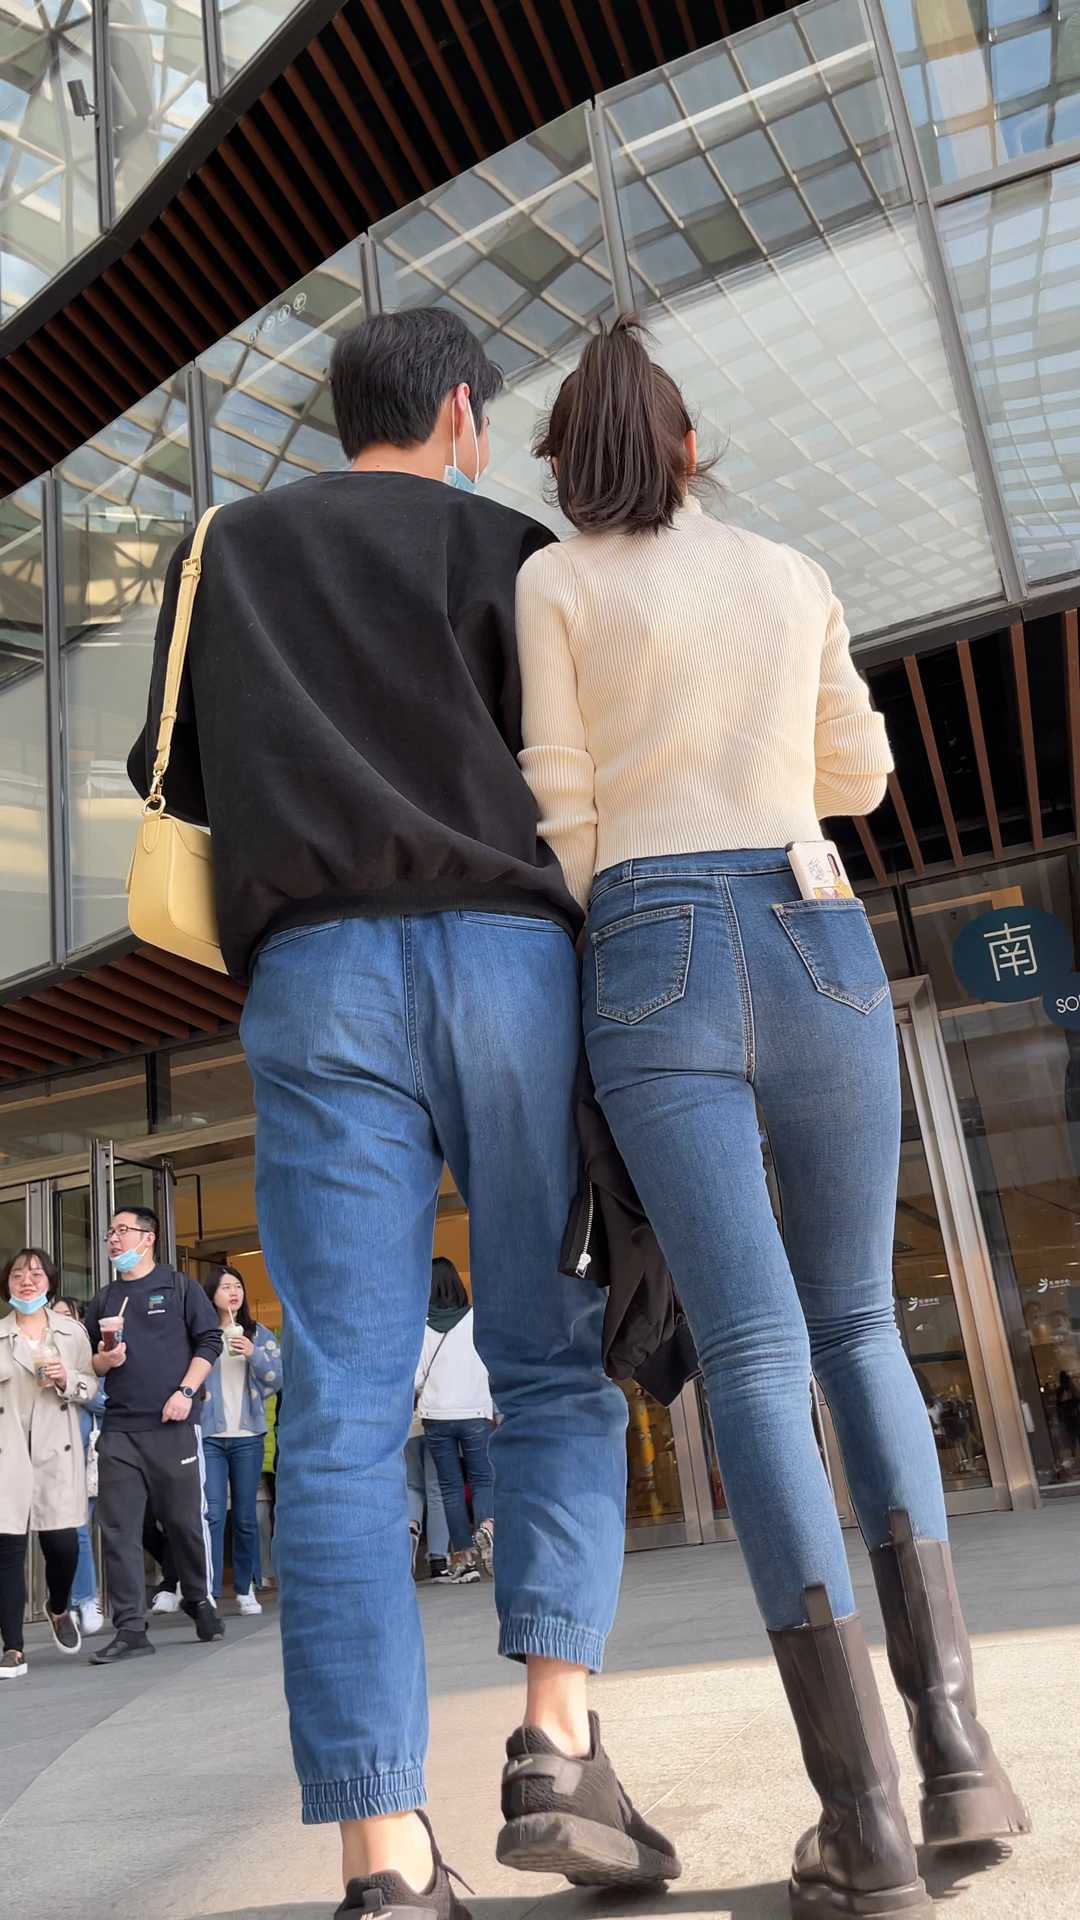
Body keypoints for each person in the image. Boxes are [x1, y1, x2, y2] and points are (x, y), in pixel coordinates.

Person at [128, 307, 677, 1919]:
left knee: (344, 1419)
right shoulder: (513, 552)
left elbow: (186, 773)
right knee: (551, 1358)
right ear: (459, 415)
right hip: (512, 961)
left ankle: (383, 1856)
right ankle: (555, 1743)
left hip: (316, 977)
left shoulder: (226, 553)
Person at [516, 316, 1029, 1920]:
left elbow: (563, 810)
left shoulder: (556, 584)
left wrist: (627, 938)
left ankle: (860, 1823)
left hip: (650, 934)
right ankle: (960, 1760)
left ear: (568, 464)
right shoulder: (791, 573)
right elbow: (860, 777)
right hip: (816, 927)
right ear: (689, 448)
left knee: (750, 1354)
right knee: (860, 1326)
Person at [83, 1207, 226, 1664]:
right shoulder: (105, 1300)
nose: (113, 1239)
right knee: (119, 1530)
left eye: (122, 1230)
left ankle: (198, 1599)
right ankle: (130, 1628)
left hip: (173, 1426)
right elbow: (90, 1361)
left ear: (149, 1238)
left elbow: (210, 1341)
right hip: (120, 1431)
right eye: (110, 1232)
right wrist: (105, 1361)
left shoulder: (179, 1287)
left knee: (183, 1523)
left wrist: (186, 1392)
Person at [0, 1251, 98, 1677]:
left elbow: (91, 1388)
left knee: (62, 1545)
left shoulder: (71, 1333)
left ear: (49, 1282)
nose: (27, 1281)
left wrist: (65, 1379)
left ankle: (58, 1607)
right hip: (7, 1451)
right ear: (7, 1284)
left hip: (57, 1448)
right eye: (18, 1275)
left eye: (36, 1274)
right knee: (7, 1550)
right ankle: (13, 1647)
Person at [200, 1263, 282, 1614]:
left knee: (246, 1517)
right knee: (214, 1514)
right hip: (211, 1436)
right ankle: (209, 1590)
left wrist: (253, 1353)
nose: (233, 1292)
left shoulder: (258, 1333)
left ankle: (246, 1587)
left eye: (237, 1286)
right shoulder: (201, 1334)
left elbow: (277, 1378)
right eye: (225, 1287)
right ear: (211, 1295)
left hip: (248, 1435)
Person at [416, 1260, 493, 1585]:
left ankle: (463, 1559)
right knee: (483, 1478)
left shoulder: (420, 1326)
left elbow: (415, 1378)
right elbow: (490, 1363)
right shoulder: (477, 1319)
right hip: (474, 1411)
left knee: (449, 1487)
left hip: (436, 1416)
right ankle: (487, 1527)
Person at [52, 1297, 107, 1636]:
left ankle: (85, 1599)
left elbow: (106, 1401)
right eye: (54, 1316)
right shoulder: (41, 1354)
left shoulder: (90, 1356)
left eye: (66, 1316)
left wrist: (69, 1384)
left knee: (78, 1528)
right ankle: (71, 1602)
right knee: (63, 1533)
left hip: (87, 1456)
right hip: (50, 1455)